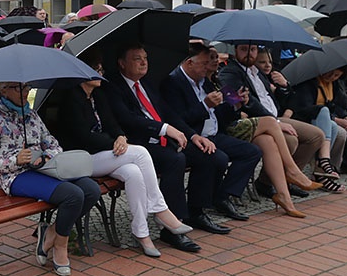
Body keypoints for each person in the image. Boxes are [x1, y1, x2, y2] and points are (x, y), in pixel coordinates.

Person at [106, 44, 246, 251]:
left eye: (145, 57)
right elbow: (128, 119)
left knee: (211, 156)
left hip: (165, 138)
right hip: (138, 143)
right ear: (122, 63)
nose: (144, 62)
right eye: (137, 59)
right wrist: (164, 129)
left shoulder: (147, 82)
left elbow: (168, 112)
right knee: (175, 160)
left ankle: (196, 212)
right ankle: (170, 229)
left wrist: (193, 135)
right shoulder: (114, 86)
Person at [52, 58, 192, 258]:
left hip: (104, 155)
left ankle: (141, 233)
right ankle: (159, 208)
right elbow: (83, 137)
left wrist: (120, 137)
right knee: (141, 153)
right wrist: (114, 144)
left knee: (134, 172)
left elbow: (112, 123)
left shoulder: (98, 94)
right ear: (82, 73)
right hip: (82, 159)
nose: (101, 73)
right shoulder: (71, 100)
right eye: (97, 69)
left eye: (101, 68)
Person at [161, 43, 314, 219]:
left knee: (255, 149)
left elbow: (225, 112)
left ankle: (226, 196)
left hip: (220, 130)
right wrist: (207, 105)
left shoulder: (210, 80)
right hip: (198, 134)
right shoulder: (225, 73)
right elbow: (177, 118)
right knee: (269, 125)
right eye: (208, 60)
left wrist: (239, 103)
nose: (214, 62)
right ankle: (290, 173)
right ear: (189, 63)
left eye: (216, 58)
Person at [0, 81, 100, 276]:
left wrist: (46, 156)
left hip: (45, 169)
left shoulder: (32, 115)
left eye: (27, 87)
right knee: (72, 195)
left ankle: (51, 232)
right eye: (18, 88)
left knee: (91, 189)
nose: (25, 92)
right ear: (3, 90)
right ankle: (60, 245)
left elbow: (53, 144)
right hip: (16, 176)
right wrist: (15, 159)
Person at [218, 43, 327, 190]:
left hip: (275, 116)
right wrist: (275, 121)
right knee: (291, 140)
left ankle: (289, 178)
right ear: (235, 51)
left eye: (253, 49)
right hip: (257, 121)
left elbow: (277, 99)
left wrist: (284, 86)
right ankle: (268, 182)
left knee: (317, 135)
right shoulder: (231, 72)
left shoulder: (259, 72)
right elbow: (247, 103)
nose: (249, 53)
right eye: (244, 49)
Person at [285, 68, 347, 191]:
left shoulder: (333, 85)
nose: (332, 76)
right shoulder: (309, 83)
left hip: (325, 119)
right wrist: (336, 119)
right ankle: (324, 163)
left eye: (336, 75)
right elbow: (305, 108)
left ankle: (322, 169)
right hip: (305, 118)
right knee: (338, 130)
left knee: (345, 128)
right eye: (330, 72)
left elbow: (339, 102)